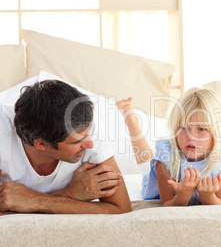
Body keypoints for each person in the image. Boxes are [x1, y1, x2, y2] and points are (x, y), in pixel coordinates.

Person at [0, 80, 132, 215]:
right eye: (77, 142)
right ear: (41, 144)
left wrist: (37, 200)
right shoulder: (2, 132)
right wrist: (69, 194)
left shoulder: (81, 125)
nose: (90, 144)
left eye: (88, 134)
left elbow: (121, 210)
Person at [117, 88, 221, 206]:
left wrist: (208, 196)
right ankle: (131, 119)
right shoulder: (167, 156)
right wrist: (183, 195)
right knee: (146, 162)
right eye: (183, 128)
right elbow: (167, 204)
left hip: (215, 149)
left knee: (220, 149)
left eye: (201, 129)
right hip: (171, 166)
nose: (190, 136)